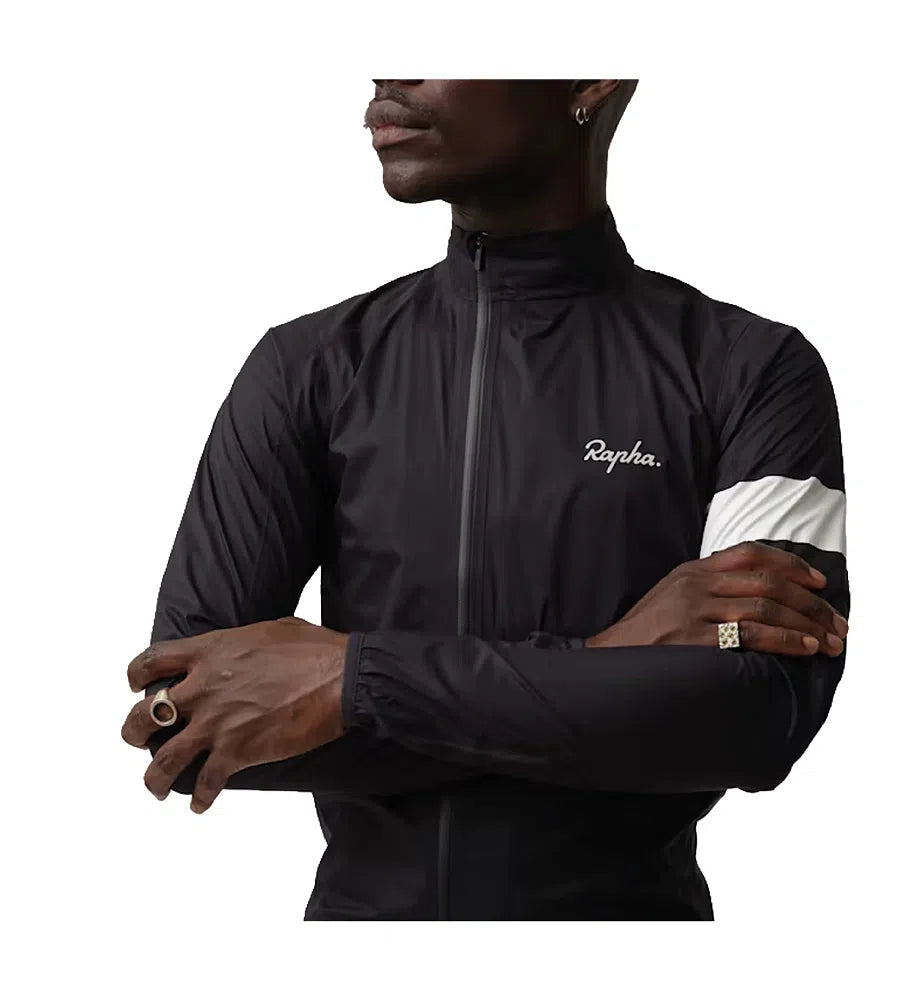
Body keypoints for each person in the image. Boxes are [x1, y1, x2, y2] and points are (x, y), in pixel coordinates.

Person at [120, 79, 850, 920]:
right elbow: (187, 720)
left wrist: (349, 683)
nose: (389, 70)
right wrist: (606, 659)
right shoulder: (307, 369)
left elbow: (756, 716)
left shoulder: (752, 371)